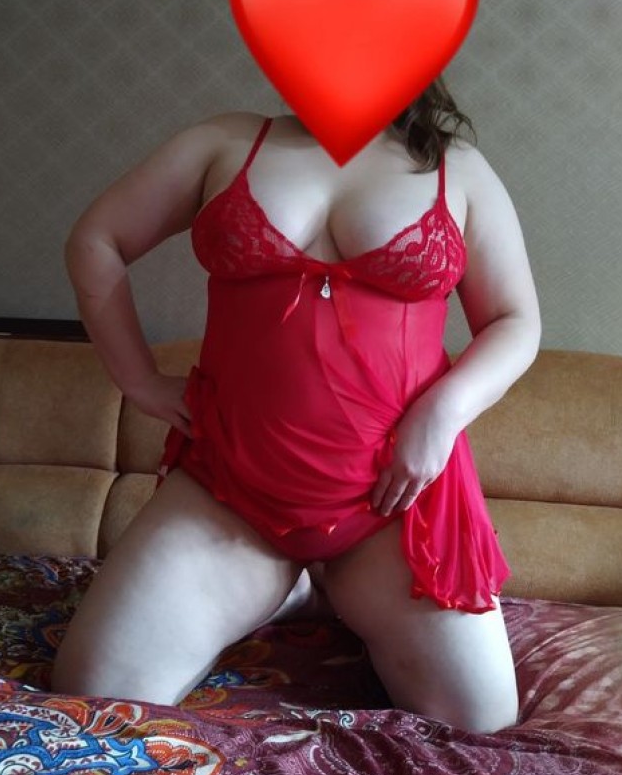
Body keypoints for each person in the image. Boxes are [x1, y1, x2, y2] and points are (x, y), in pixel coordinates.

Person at [51, 76, 541, 734]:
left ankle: (328, 589)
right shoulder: (225, 141)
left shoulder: (460, 169)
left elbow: (514, 320)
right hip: (230, 493)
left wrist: (443, 412)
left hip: (393, 504)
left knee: (480, 721)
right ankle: (289, 590)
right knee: (91, 692)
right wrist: (138, 379)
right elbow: (96, 240)